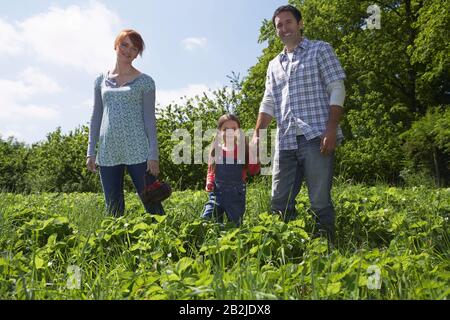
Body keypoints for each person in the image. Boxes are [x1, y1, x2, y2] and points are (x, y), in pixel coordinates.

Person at [252, 5, 346, 243]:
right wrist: (257, 136)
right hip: (285, 141)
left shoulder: (320, 49)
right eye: (279, 25)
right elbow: (269, 101)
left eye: (288, 22)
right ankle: (284, 246)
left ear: (300, 23)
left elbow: (336, 88)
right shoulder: (274, 64)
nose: (284, 28)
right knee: (278, 200)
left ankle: (326, 247)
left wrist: (331, 128)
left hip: (316, 136)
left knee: (319, 199)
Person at [86, 29, 164, 216]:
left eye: (134, 48)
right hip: (108, 150)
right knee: (113, 208)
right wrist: (91, 151)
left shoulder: (145, 82)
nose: (128, 51)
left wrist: (153, 154)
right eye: (124, 44)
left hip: (138, 150)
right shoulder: (100, 81)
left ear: (138, 54)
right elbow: (96, 116)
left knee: (152, 204)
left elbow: (149, 120)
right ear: (116, 45)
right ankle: (116, 244)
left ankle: (163, 242)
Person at [202, 114, 260, 226]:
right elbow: (211, 170)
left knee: (234, 223)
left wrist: (255, 157)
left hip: (236, 194)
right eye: (225, 129)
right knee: (208, 218)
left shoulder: (244, 150)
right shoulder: (216, 149)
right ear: (219, 131)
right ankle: (213, 237)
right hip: (217, 193)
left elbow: (254, 171)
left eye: (233, 129)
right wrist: (209, 181)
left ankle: (232, 239)